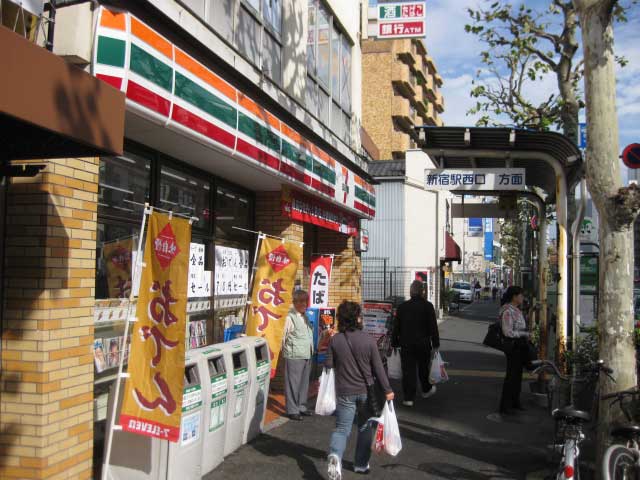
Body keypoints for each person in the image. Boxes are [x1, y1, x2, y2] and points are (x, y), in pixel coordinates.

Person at [325, 301, 394, 479]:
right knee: (365, 427)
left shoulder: (336, 340)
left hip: (344, 391)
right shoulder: (368, 340)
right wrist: (387, 390)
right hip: (366, 392)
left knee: (341, 429)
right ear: (357, 318)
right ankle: (361, 465)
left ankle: (335, 456)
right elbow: (379, 368)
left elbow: (328, 365)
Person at [393, 280, 440, 407]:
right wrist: (436, 343)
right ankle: (426, 390)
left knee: (408, 371)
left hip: (406, 344)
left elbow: (396, 327)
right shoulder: (428, 306)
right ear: (422, 291)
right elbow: (433, 327)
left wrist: (394, 343)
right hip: (423, 344)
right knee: (424, 368)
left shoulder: (402, 307)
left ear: (410, 291)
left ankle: (408, 398)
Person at [282, 289, 314, 421]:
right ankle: (292, 410)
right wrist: (286, 352)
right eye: (300, 301)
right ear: (294, 302)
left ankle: (301, 406)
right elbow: (283, 337)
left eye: (305, 301)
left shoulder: (304, 316)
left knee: (303, 383)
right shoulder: (290, 317)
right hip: (294, 355)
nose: (303, 304)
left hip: (306, 354)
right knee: (293, 384)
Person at [499, 286, 530, 415]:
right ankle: (505, 405)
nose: (522, 298)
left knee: (517, 375)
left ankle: (515, 401)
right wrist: (523, 334)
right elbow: (507, 332)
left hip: (519, 346)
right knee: (511, 375)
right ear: (514, 297)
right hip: (513, 346)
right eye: (521, 295)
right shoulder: (507, 311)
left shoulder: (516, 310)